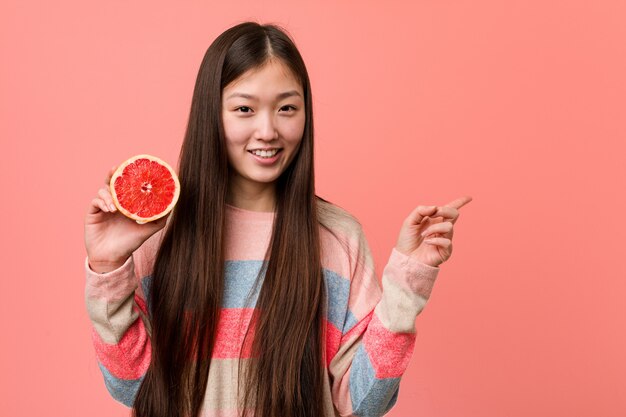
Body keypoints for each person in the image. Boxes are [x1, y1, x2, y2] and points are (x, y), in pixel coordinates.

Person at [83, 21, 472, 417]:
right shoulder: (158, 236)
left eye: (287, 108)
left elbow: (364, 403)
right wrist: (108, 267)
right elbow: (131, 387)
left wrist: (409, 280)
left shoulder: (337, 238)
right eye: (244, 109)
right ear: (211, 114)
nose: (267, 131)